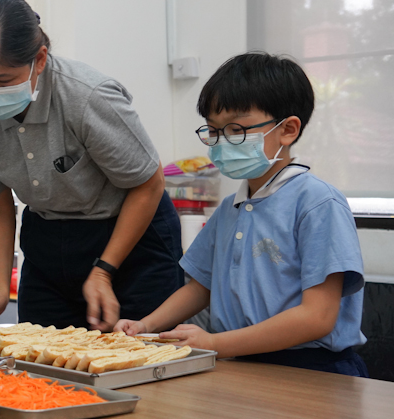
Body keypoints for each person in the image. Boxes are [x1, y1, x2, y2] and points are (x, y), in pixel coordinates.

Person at [116, 53, 368, 376]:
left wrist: (215, 343)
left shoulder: (317, 203)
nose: (222, 143)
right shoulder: (229, 210)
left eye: (236, 130)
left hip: (314, 372)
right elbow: (200, 287)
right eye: (213, 131)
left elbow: (317, 317)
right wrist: (144, 325)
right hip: (242, 364)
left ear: (288, 130)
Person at [0, 0, 182, 332]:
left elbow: (149, 183)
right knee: (42, 357)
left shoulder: (87, 96)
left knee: (136, 357)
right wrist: (0, 287)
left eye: (3, 81)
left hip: (128, 236)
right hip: (47, 239)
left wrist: (104, 270)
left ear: (40, 59)